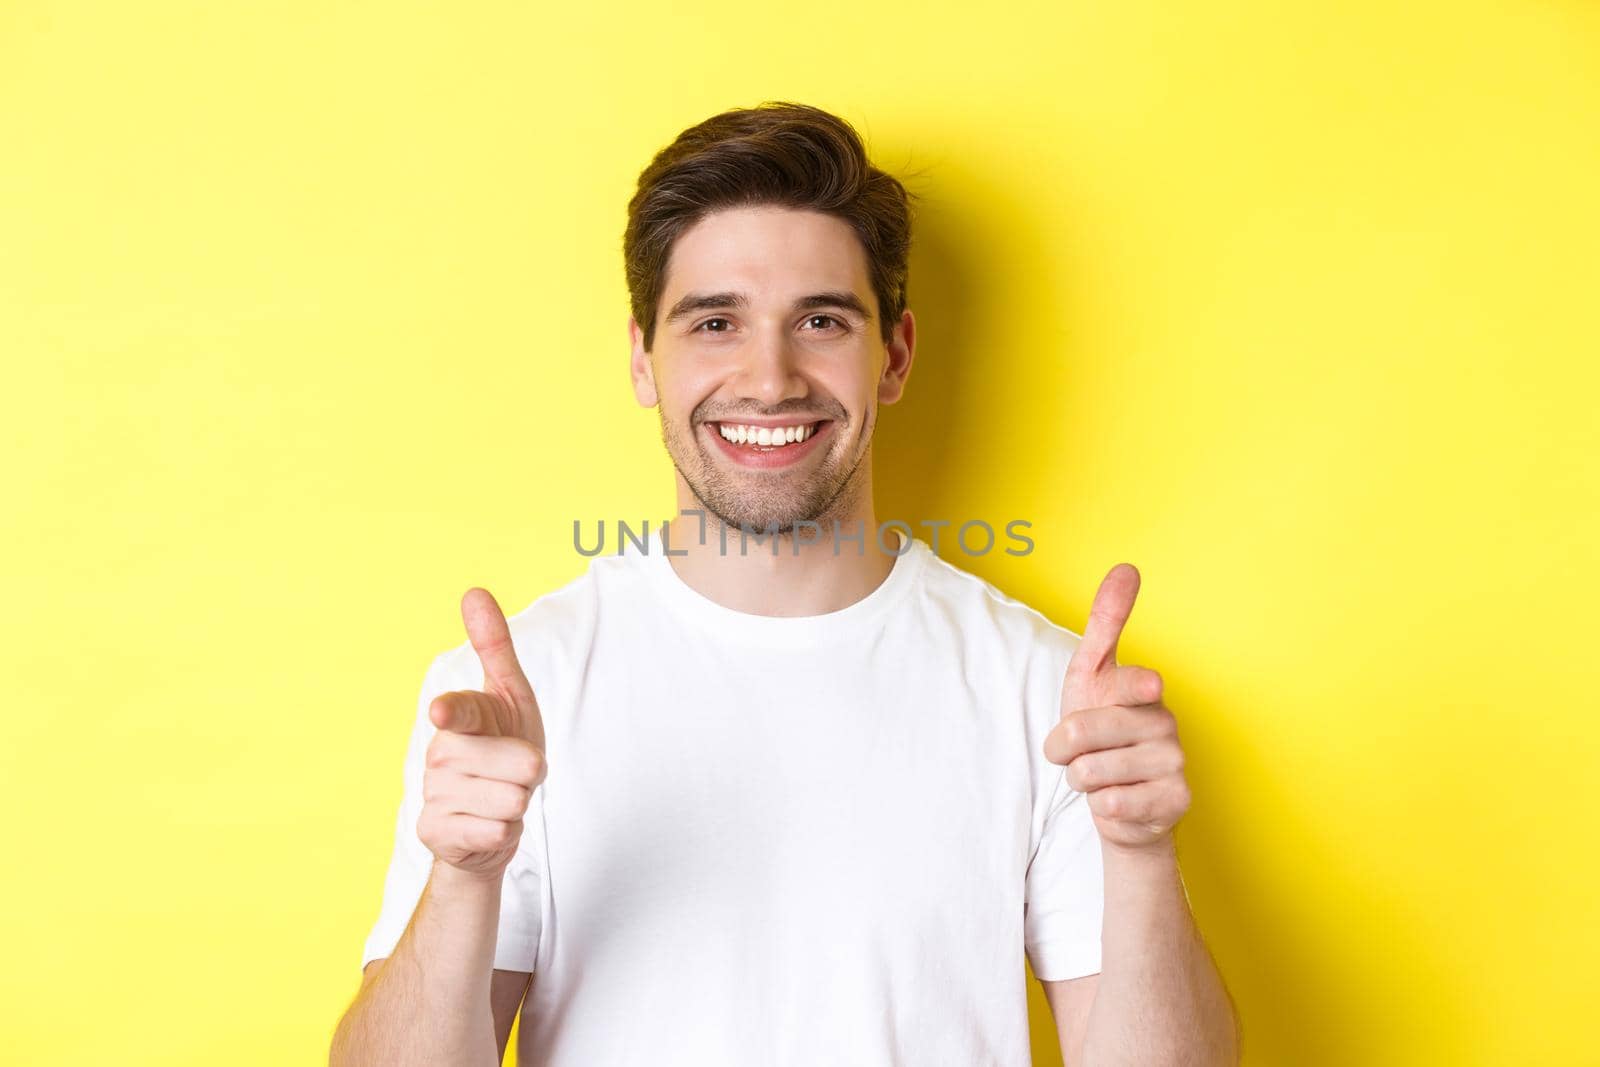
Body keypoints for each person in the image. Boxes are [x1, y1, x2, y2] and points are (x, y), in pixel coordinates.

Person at [329, 100, 1240, 1066]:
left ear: (893, 355)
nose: (770, 379)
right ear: (645, 358)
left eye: (820, 319)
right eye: (715, 321)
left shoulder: (1051, 696)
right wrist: (465, 878)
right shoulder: (514, 699)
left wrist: (1140, 862)